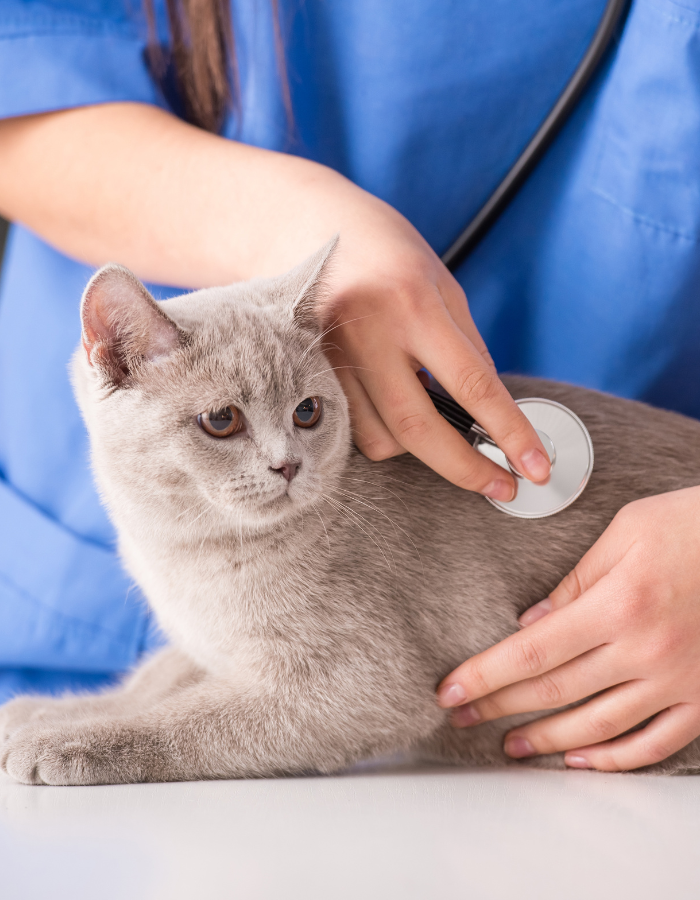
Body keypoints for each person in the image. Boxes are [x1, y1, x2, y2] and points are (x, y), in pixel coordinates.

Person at [0, 0, 698, 773]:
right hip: (69, 599)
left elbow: (363, 693)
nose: (283, 459)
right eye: (224, 422)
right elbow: (21, 87)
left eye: (306, 414)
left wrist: (140, 743)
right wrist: (289, 222)